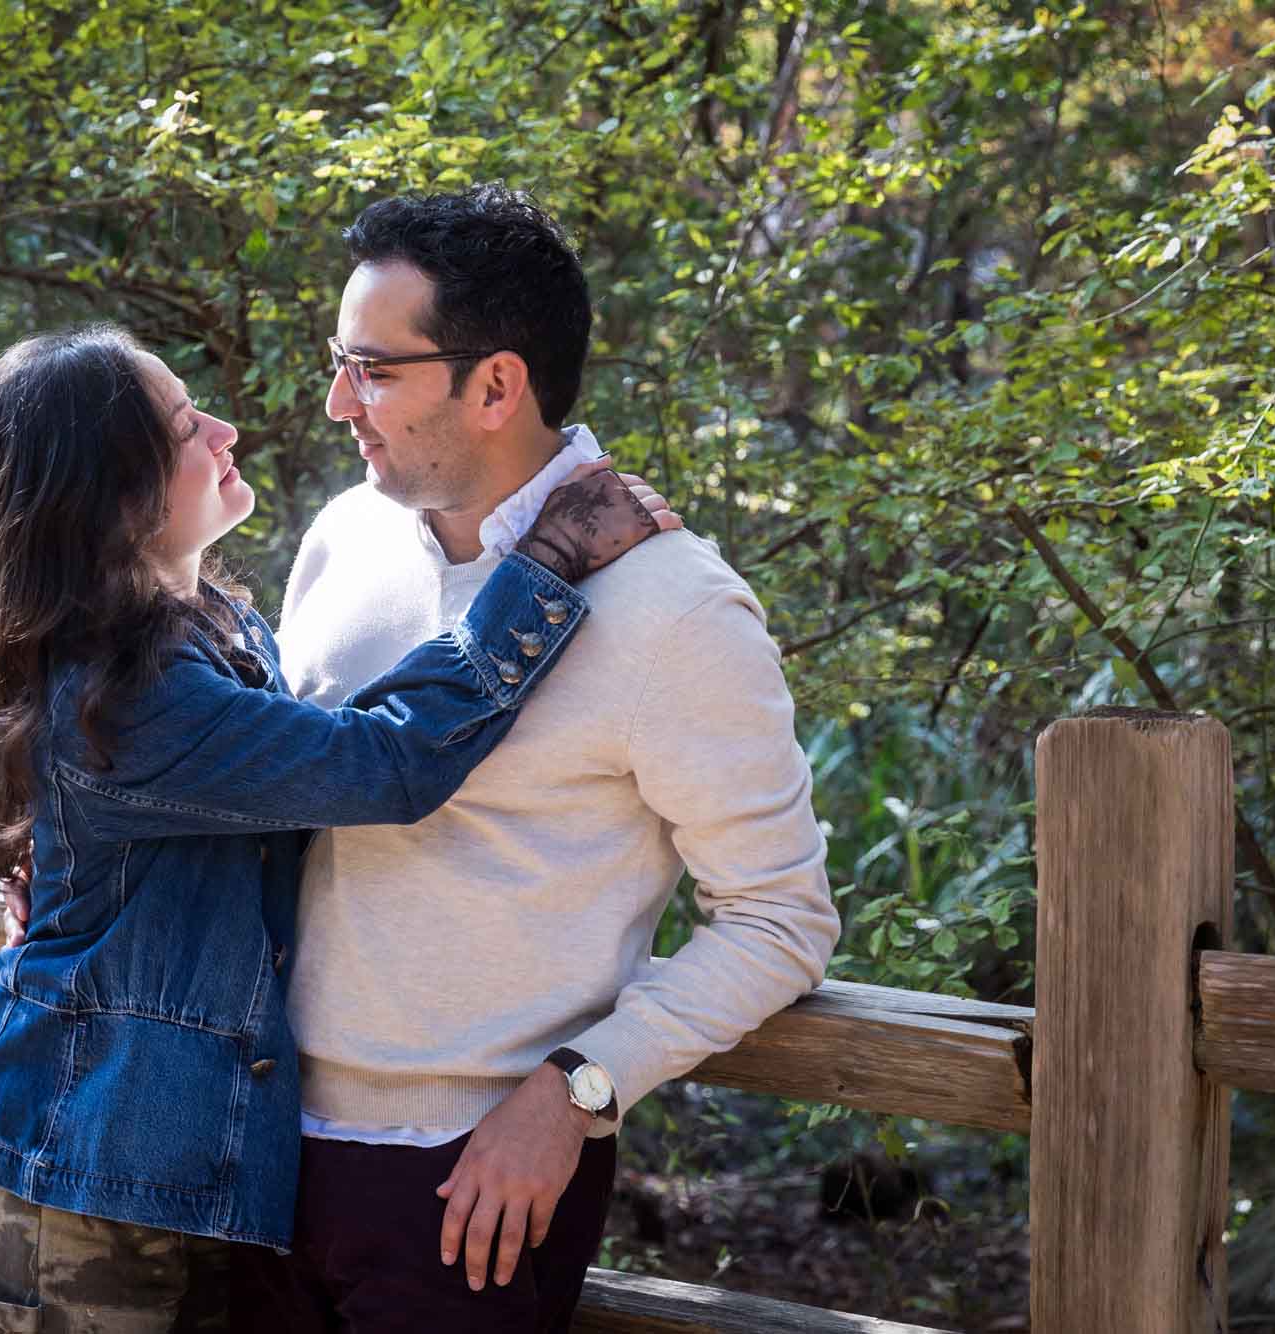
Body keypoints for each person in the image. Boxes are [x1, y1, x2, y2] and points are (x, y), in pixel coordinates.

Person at [0, 323, 680, 1333]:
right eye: (184, 426)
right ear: (108, 494)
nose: (223, 430)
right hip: (66, 1179)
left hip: (174, 1177)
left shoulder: (213, 629)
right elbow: (384, 760)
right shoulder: (129, 694)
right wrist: (544, 566)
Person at [228, 185, 843, 1333]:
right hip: (250, 1144)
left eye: (371, 370)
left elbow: (779, 916)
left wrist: (580, 1087)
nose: (336, 401)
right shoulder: (343, 536)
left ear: (496, 385)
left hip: (473, 1180)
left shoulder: (672, 606)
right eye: (337, 362)